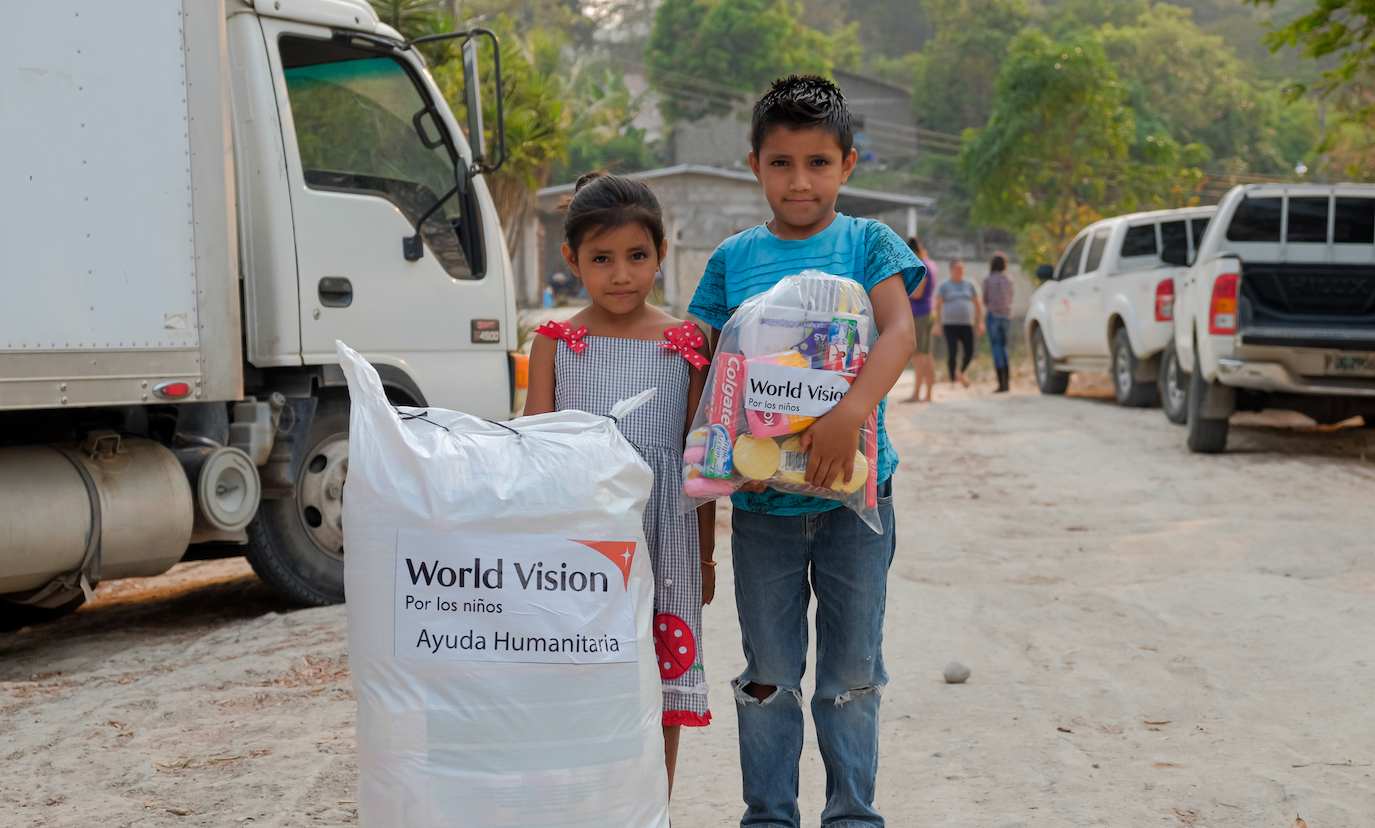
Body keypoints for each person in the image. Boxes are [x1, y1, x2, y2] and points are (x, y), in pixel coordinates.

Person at [687, 75, 923, 828]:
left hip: (859, 500)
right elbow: (703, 356)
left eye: (817, 163)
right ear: (753, 165)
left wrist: (849, 411)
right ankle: (769, 816)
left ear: (847, 164)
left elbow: (898, 333)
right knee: (769, 674)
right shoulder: (731, 259)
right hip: (763, 508)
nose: (799, 181)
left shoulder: (868, 243)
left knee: (851, 674)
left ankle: (852, 815)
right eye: (781, 163)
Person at [524, 172, 716, 799]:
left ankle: (653, 806)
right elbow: (534, 455)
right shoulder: (557, 343)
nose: (621, 274)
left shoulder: (686, 345)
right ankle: (589, 807)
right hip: (581, 546)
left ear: (662, 253)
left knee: (660, 679)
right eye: (601, 259)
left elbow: (699, 464)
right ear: (571, 258)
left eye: (637, 256)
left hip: (665, 542)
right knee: (586, 676)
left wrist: (706, 553)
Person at [932, 258, 983, 387]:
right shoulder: (944, 285)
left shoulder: (970, 284)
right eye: (956, 268)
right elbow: (937, 306)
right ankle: (953, 380)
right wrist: (936, 323)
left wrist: (981, 322)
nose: (959, 271)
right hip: (949, 324)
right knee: (952, 351)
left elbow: (978, 304)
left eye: (961, 268)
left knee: (970, 350)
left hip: (967, 323)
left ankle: (961, 372)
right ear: (951, 270)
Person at [904, 236, 938, 402]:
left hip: (920, 314)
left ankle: (917, 393)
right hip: (927, 311)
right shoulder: (931, 263)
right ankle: (928, 394)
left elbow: (917, 293)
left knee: (920, 355)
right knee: (927, 354)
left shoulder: (923, 265)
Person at [982, 252, 1014, 393]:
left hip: (993, 316)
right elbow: (1011, 298)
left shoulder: (988, 280)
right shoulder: (1009, 280)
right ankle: (1007, 381)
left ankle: (1001, 383)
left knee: (996, 348)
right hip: (1006, 317)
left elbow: (985, 300)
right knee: (1004, 348)